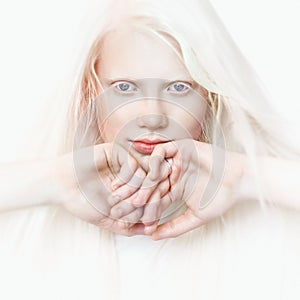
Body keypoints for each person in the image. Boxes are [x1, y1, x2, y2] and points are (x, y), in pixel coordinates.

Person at [0, 0, 299, 299]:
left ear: (210, 96)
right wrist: (52, 182)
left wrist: (246, 177)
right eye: (124, 87)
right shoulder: (26, 232)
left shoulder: (275, 230)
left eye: (179, 87)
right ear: (90, 89)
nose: (152, 116)